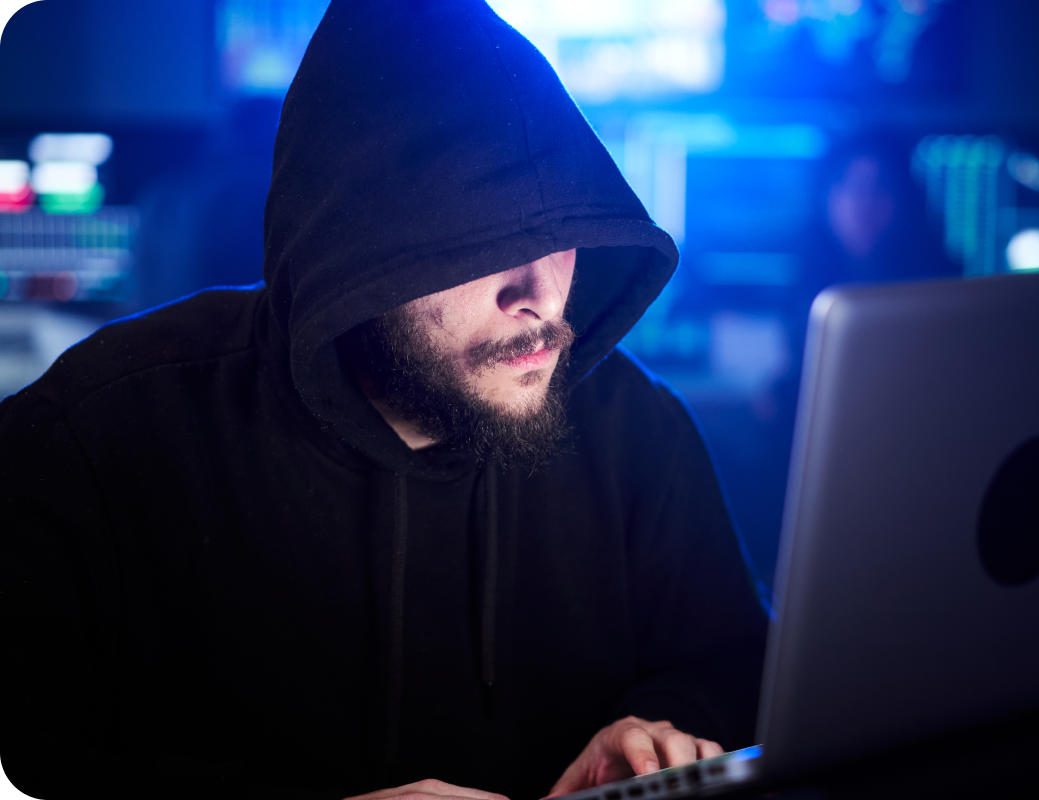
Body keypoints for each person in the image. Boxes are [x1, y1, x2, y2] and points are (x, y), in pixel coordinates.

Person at [0, 2, 768, 799]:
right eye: (485, 246)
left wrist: (657, 729)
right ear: (359, 254)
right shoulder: (100, 436)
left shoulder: (634, 428)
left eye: (562, 232)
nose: (540, 297)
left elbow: (733, 665)